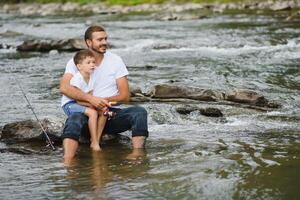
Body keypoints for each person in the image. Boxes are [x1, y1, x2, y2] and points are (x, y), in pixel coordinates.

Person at [60, 25, 149, 162]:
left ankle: (137, 155)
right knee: (74, 120)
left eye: (105, 38)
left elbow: (125, 96)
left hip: (108, 113)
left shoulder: (116, 60)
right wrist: (92, 100)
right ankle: (68, 161)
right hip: (86, 114)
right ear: (89, 42)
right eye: (100, 39)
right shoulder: (77, 61)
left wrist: (101, 102)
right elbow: (64, 88)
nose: (104, 42)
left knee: (139, 113)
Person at [61, 49, 107, 151]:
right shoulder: (77, 79)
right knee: (93, 113)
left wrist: (99, 103)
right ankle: (94, 142)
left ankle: (96, 139)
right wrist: (92, 105)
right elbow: (78, 100)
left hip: (83, 103)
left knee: (104, 111)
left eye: (93, 62)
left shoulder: (91, 78)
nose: (92, 65)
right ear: (79, 66)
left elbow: (90, 95)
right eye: (88, 63)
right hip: (70, 104)